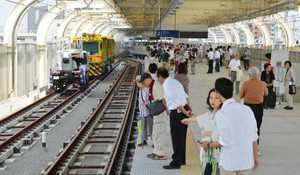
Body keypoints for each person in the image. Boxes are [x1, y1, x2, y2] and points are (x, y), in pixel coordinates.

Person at [200, 78, 259, 175]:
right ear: (232, 90)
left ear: (218, 93)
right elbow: (254, 137)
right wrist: (255, 156)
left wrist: (208, 145)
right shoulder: (247, 109)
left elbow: (224, 141)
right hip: (246, 160)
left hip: (229, 162)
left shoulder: (221, 114)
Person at [156, 67, 192, 169]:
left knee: (176, 137)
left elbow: (176, 102)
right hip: (184, 109)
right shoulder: (175, 82)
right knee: (182, 137)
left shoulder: (167, 86)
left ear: (159, 77)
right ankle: (181, 159)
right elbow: (185, 96)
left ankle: (176, 162)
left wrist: (185, 112)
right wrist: (189, 108)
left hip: (178, 112)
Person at [181, 89, 222, 166]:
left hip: (219, 153)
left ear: (221, 99)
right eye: (211, 98)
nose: (213, 100)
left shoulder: (222, 114)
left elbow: (223, 134)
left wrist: (208, 133)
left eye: (216, 98)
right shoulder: (210, 113)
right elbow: (200, 118)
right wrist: (188, 120)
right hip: (208, 152)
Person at [140, 73, 169, 160]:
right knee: (155, 134)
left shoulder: (156, 86)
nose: (144, 84)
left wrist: (167, 110)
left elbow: (163, 99)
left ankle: (162, 153)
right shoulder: (151, 87)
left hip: (160, 113)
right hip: (155, 114)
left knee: (160, 134)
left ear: (149, 79)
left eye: (144, 82)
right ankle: (156, 150)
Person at [240, 67, 268, 148]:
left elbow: (241, 96)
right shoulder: (263, 84)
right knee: (257, 127)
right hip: (259, 107)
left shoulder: (245, 83)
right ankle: (256, 147)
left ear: (249, 75)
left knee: (247, 127)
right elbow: (266, 93)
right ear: (259, 75)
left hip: (247, 108)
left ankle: (247, 146)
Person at [136, 75, 150, 147]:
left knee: (151, 127)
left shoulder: (147, 90)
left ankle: (154, 142)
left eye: (138, 82)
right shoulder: (140, 90)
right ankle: (144, 141)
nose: (137, 83)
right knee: (143, 126)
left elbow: (150, 100)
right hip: (143, 111)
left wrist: (146, 103)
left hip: (148, 111)